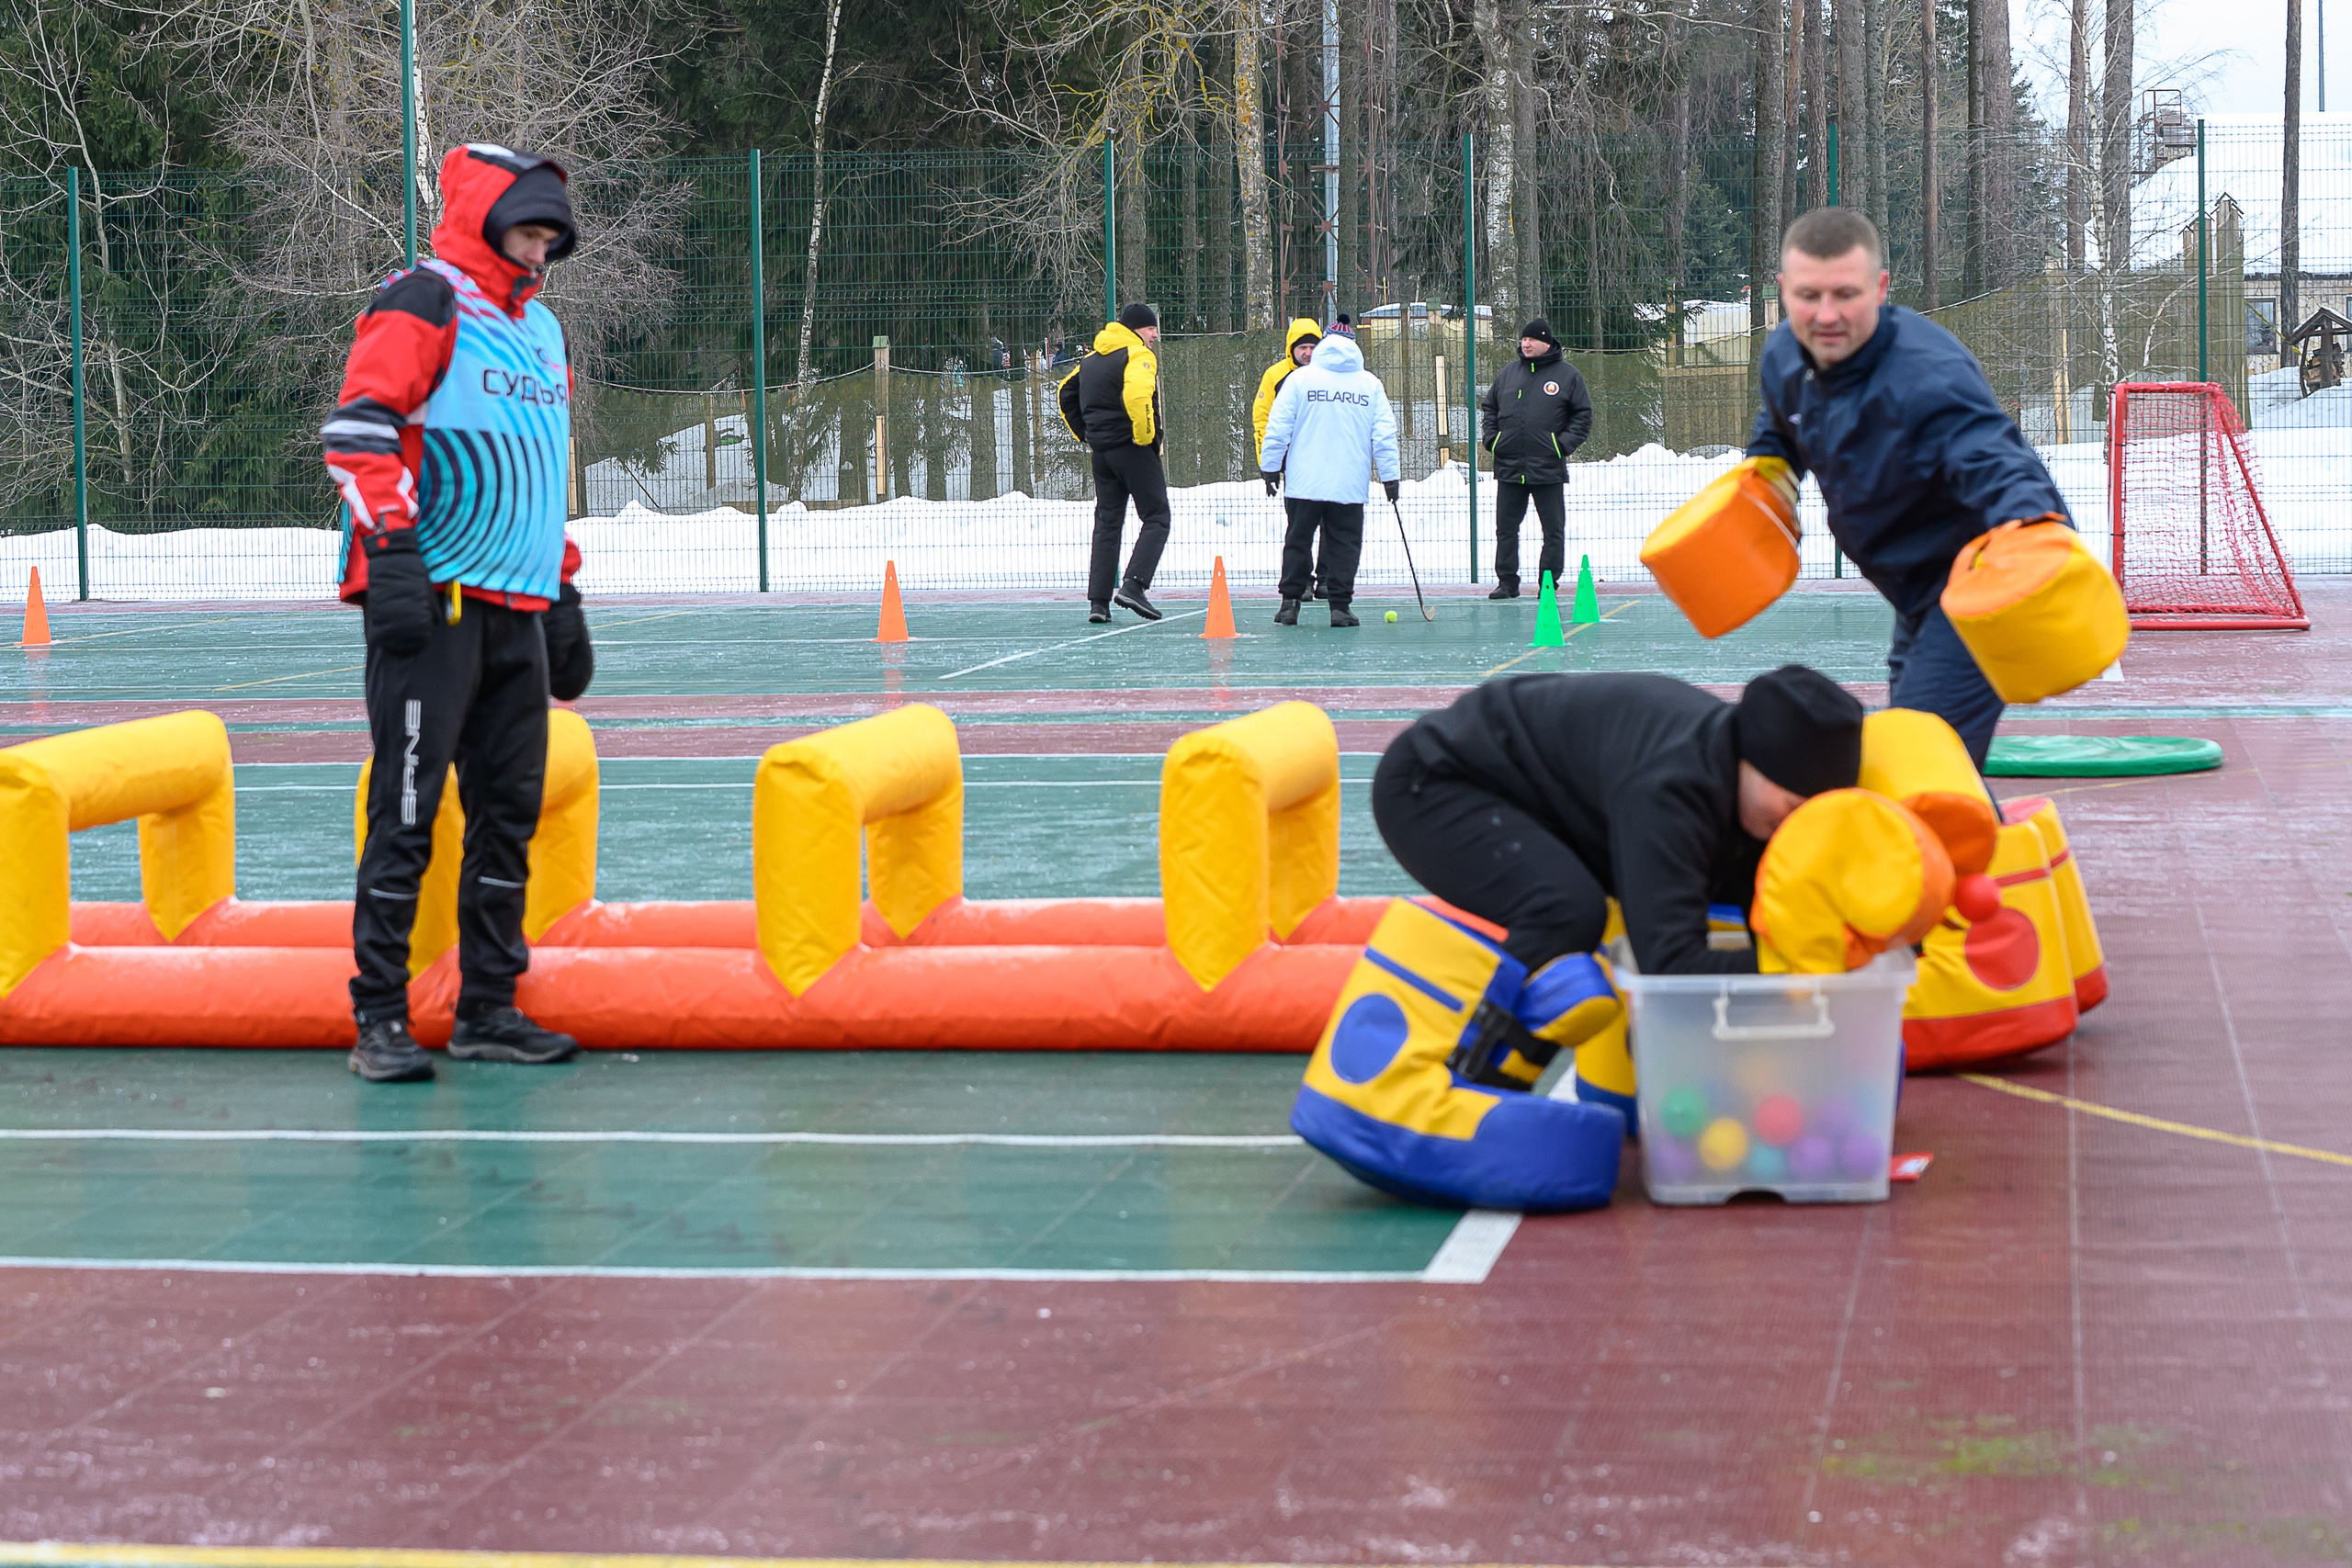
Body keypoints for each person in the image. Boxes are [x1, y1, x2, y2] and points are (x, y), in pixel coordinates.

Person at [322, 143, 597, 1084]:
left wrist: (561, 586)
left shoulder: (544, 332)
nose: (541, 248)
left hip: (517, 606)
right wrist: (392, 554)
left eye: (552, 235)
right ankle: (379, 1018)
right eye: (528, 230)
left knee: (508, 815)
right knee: (406, 812)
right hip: (431, 602)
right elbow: (357, 431)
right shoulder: (423, 299)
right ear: (486, 221)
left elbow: (536, 466)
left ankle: (488, 1007)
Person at [1747, 208, 2072, 766]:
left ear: (1880, 288)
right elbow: (1780, 428)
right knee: (1931, 772)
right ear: (1783, 290)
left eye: (1845, 294)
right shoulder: (1785, 355)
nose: (1826, 315)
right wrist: (1762, 482)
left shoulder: (1926, 376)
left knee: (1918, 767)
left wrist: (2035, 527)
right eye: (1808, 295)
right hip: (1910, 592)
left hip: (1974, 591)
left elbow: (1993, 458)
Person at [1370, 665, 1864, 980]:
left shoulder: (1749, 791)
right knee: (1565, 912)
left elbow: (1770, 923)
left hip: (1544, 797)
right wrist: (1795, 968)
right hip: (1436, 781)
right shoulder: (1672, 791)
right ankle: (1462, 1061)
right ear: (1751, 760)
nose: (1795, 827)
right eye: (1792, 806)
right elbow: (1670, 963)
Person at [1258, 320, 1400, 628]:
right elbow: (1385, 435)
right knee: (1345, 543)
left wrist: (1270, 467)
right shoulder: (1369, 384)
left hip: (1303, 482)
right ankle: (1340, 606)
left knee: (1298, 540)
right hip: (1349, 483)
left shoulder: (1299, 379)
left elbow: (1278, 427)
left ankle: (1290, 603)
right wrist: (1390, 477)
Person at [1057, 302, 1170, 622]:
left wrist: (1087, 434)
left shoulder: (1091, 360)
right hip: (1132, 448)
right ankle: (1134, 586)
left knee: (1107, 522)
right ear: (1136, 330)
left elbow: (1064, 393)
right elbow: (1137, 396)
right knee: (1157, 516)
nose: (1155, 335)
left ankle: (1099, 602)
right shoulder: (1137, 354)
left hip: (1102, 454)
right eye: (1150, 329)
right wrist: (1145, 437)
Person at [1478, 318, 1592, 599]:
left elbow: (1582, 416)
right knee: (1505, 529)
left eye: (1532, 340)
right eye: (1524, 339)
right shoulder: (1509, 373)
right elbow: (1490, 408)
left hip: (1548, 468)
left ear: (1547, 343)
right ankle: (1507, 583)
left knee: (1553, 530)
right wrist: (1493, 440)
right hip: (1509, 467)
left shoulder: (1567, 376)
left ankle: (1549, 584)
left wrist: (1560, 445)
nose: (1526, 344)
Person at [1250, 317, 1324, 596]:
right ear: (1291, 349)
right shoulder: (1276, 376)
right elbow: (1263, 420)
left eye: (1313, 347)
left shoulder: (1330, 376)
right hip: (1296, 466)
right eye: (1302, 347)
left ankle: (1327, 579)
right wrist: (1269, 465)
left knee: (1333, 523)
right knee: (1299, 525)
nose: (1308, 353)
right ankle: (1301, 581)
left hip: (1328, 462)